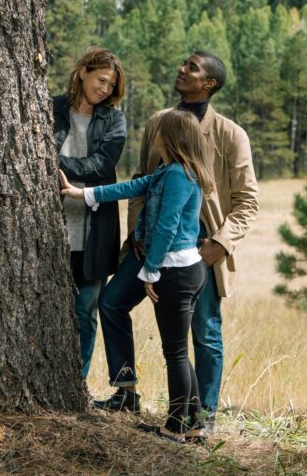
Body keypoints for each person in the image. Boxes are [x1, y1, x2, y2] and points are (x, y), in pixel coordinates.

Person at [92, 51, 259, 432]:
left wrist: (221, 242)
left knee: (204, 333)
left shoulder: (232, 134)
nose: (182, 69)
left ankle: (202, 417)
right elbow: (141, 180)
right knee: (112, 303)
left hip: (200, 250)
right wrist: (136, 232)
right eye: (183, 63)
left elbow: (248, 201)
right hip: (149, 244)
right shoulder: (159, 123)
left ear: (210, 84)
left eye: (192, 68)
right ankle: (125, 392)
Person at [60, 109, 215, 442]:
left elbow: (167, 226)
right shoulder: (169, 171)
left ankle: (175, 427)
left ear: (170, 139)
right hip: (181, 269)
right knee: (177, 350)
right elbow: (131, 186)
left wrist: (151, 269)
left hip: (175, 270)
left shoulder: (177, 175)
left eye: (159, 133)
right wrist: (82, 193)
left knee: (174, 353)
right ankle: (196, 423)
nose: (154, 137)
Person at [53, 48, 126, 379]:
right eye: (101, 80)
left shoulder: (114, 120)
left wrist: (56, 164)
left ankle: (76, 383)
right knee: (48, 309)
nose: (105, 89)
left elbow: (102, 165)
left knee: (85, 310)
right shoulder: (50, 109)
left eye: (111, 85)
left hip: (94, 230)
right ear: (83, 71)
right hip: (50, 230)